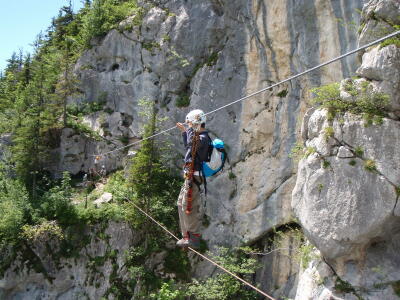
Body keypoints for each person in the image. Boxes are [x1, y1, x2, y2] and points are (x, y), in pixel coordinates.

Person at [176, 109, 211, 249]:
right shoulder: (197, 137)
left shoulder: (202, 138)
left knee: (188, 206)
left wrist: (188, 129)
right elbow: (189, 146)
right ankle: (186, 235)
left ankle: (194, 237)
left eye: (190, 123)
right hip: (190, 175)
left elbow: (192, 142)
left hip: (194, 176)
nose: (189, 125)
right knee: (180, 203)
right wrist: (185, 132)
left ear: (196, 123)